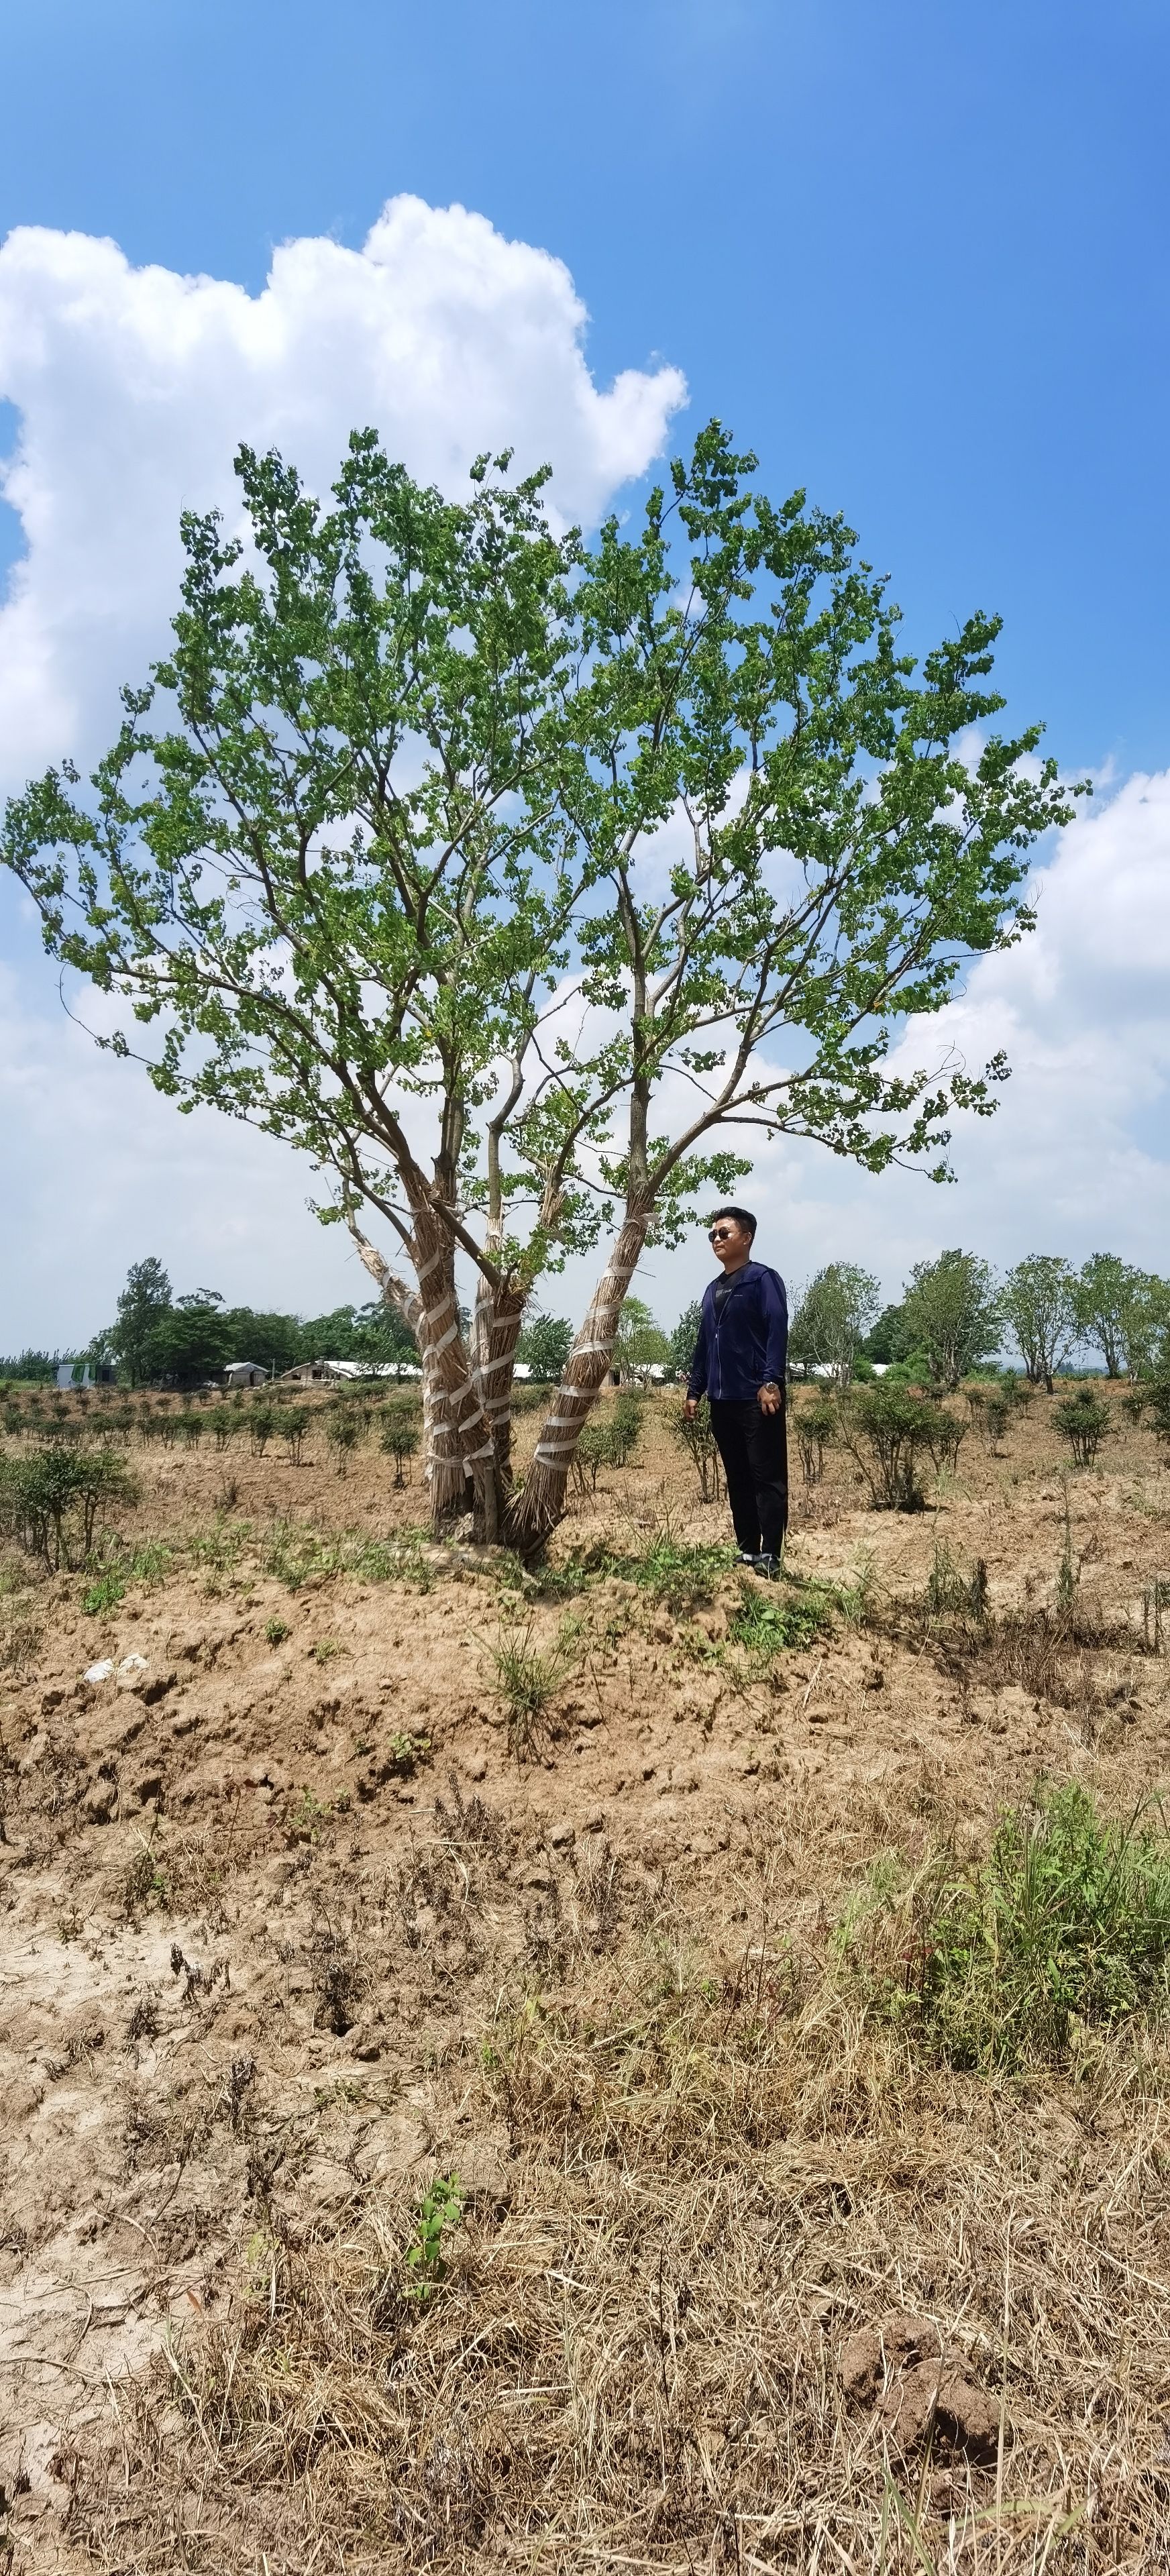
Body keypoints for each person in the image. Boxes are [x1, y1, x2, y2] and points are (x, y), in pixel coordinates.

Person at [684, 1206, 788, 1577]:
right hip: (722, 1402)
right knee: (738, 1477)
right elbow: (703, 1346)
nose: (716, 1240)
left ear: (746, 1238)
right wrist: (695, 1390)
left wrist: (771, 1381)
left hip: (758, 1399)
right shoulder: (713, 1289)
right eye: (712, 1235)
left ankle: (771, 1555)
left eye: (723, 1233)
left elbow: (777, 1330)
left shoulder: (763, 1280)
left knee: (767, 1478)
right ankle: (747, 1549)